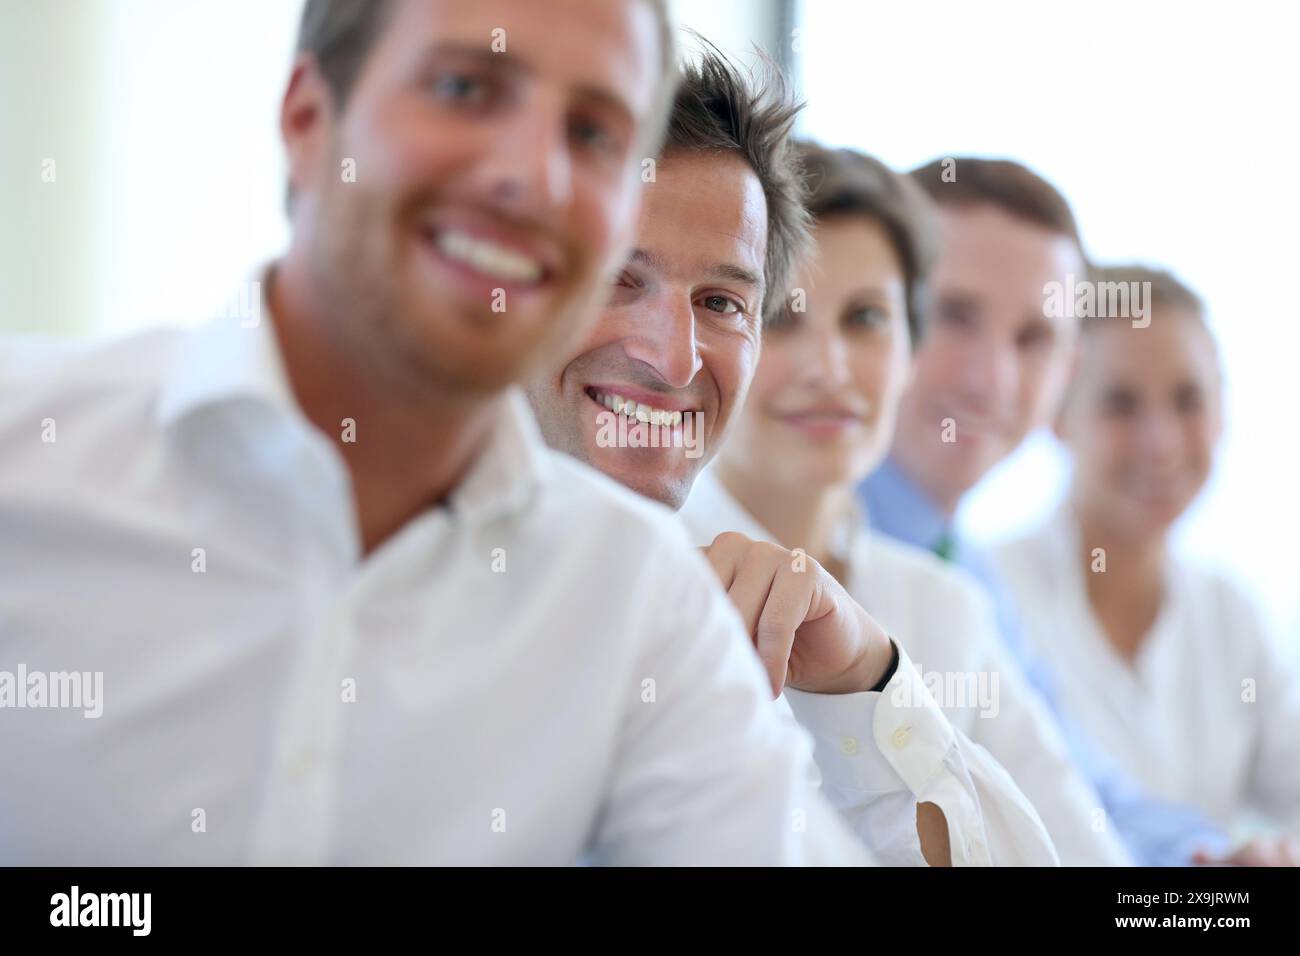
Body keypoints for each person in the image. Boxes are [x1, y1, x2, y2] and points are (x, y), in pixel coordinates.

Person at [0, 0, 870, 866]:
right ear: (309, 122)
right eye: (465, 88)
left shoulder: (634, 595)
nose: (539, 179)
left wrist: (873, 683)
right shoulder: (27, 454)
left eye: (596, 135)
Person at [527, 55, 1060, 866]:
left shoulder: (712, 616)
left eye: (721, 303)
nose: (675, 359)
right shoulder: (385, 574)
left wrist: (867, 688)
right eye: (614, 279)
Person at [678, 142, 1124, 865]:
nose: (831, 368)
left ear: (911, 349)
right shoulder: (655, 575)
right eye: (783, 315)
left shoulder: (944, 605)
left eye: (866, 319)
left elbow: (1087, 858)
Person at [861, 157, 1233, 865]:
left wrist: (1212, 862)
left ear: (1066, 373)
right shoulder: (804, 538)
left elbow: (1080, 787)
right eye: (955, 316)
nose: (992, 378)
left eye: (1034, 339)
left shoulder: (965, 572)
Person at [993, 266, 1300, 865]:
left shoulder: (1229, 610)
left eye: (1188, 400)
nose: (1160, 442)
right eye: (1121, 404)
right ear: (1058, 413)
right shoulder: (991, 592)